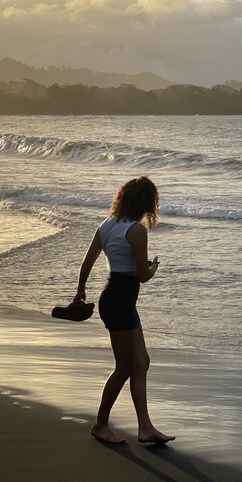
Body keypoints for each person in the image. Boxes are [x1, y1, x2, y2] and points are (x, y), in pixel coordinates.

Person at [74, 176, 175, 445]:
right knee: (125, 366)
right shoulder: (137, 230)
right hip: (121, 299)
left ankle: (145, 428)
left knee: (141, 362)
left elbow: (87, 261)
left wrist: (81, 290)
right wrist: (154, 267)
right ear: (146, 203)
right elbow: (142, 275)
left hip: (115, 297)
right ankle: (100, 424)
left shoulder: (106, 225)